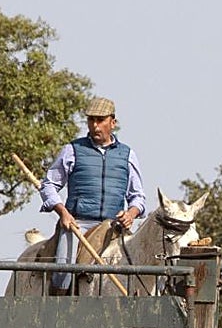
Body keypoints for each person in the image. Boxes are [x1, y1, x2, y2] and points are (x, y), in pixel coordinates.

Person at [38, 96, 146, 294]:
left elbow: (138, 197)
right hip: (78, 224)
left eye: (100, 120)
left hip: (113, 226)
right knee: (63, 270)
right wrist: (62, 212)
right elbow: (48, 185)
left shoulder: (127, 155)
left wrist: (131, 214)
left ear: (112, 122)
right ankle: (56, 311)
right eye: (91, 120)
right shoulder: (72, 150)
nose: (95, 126)